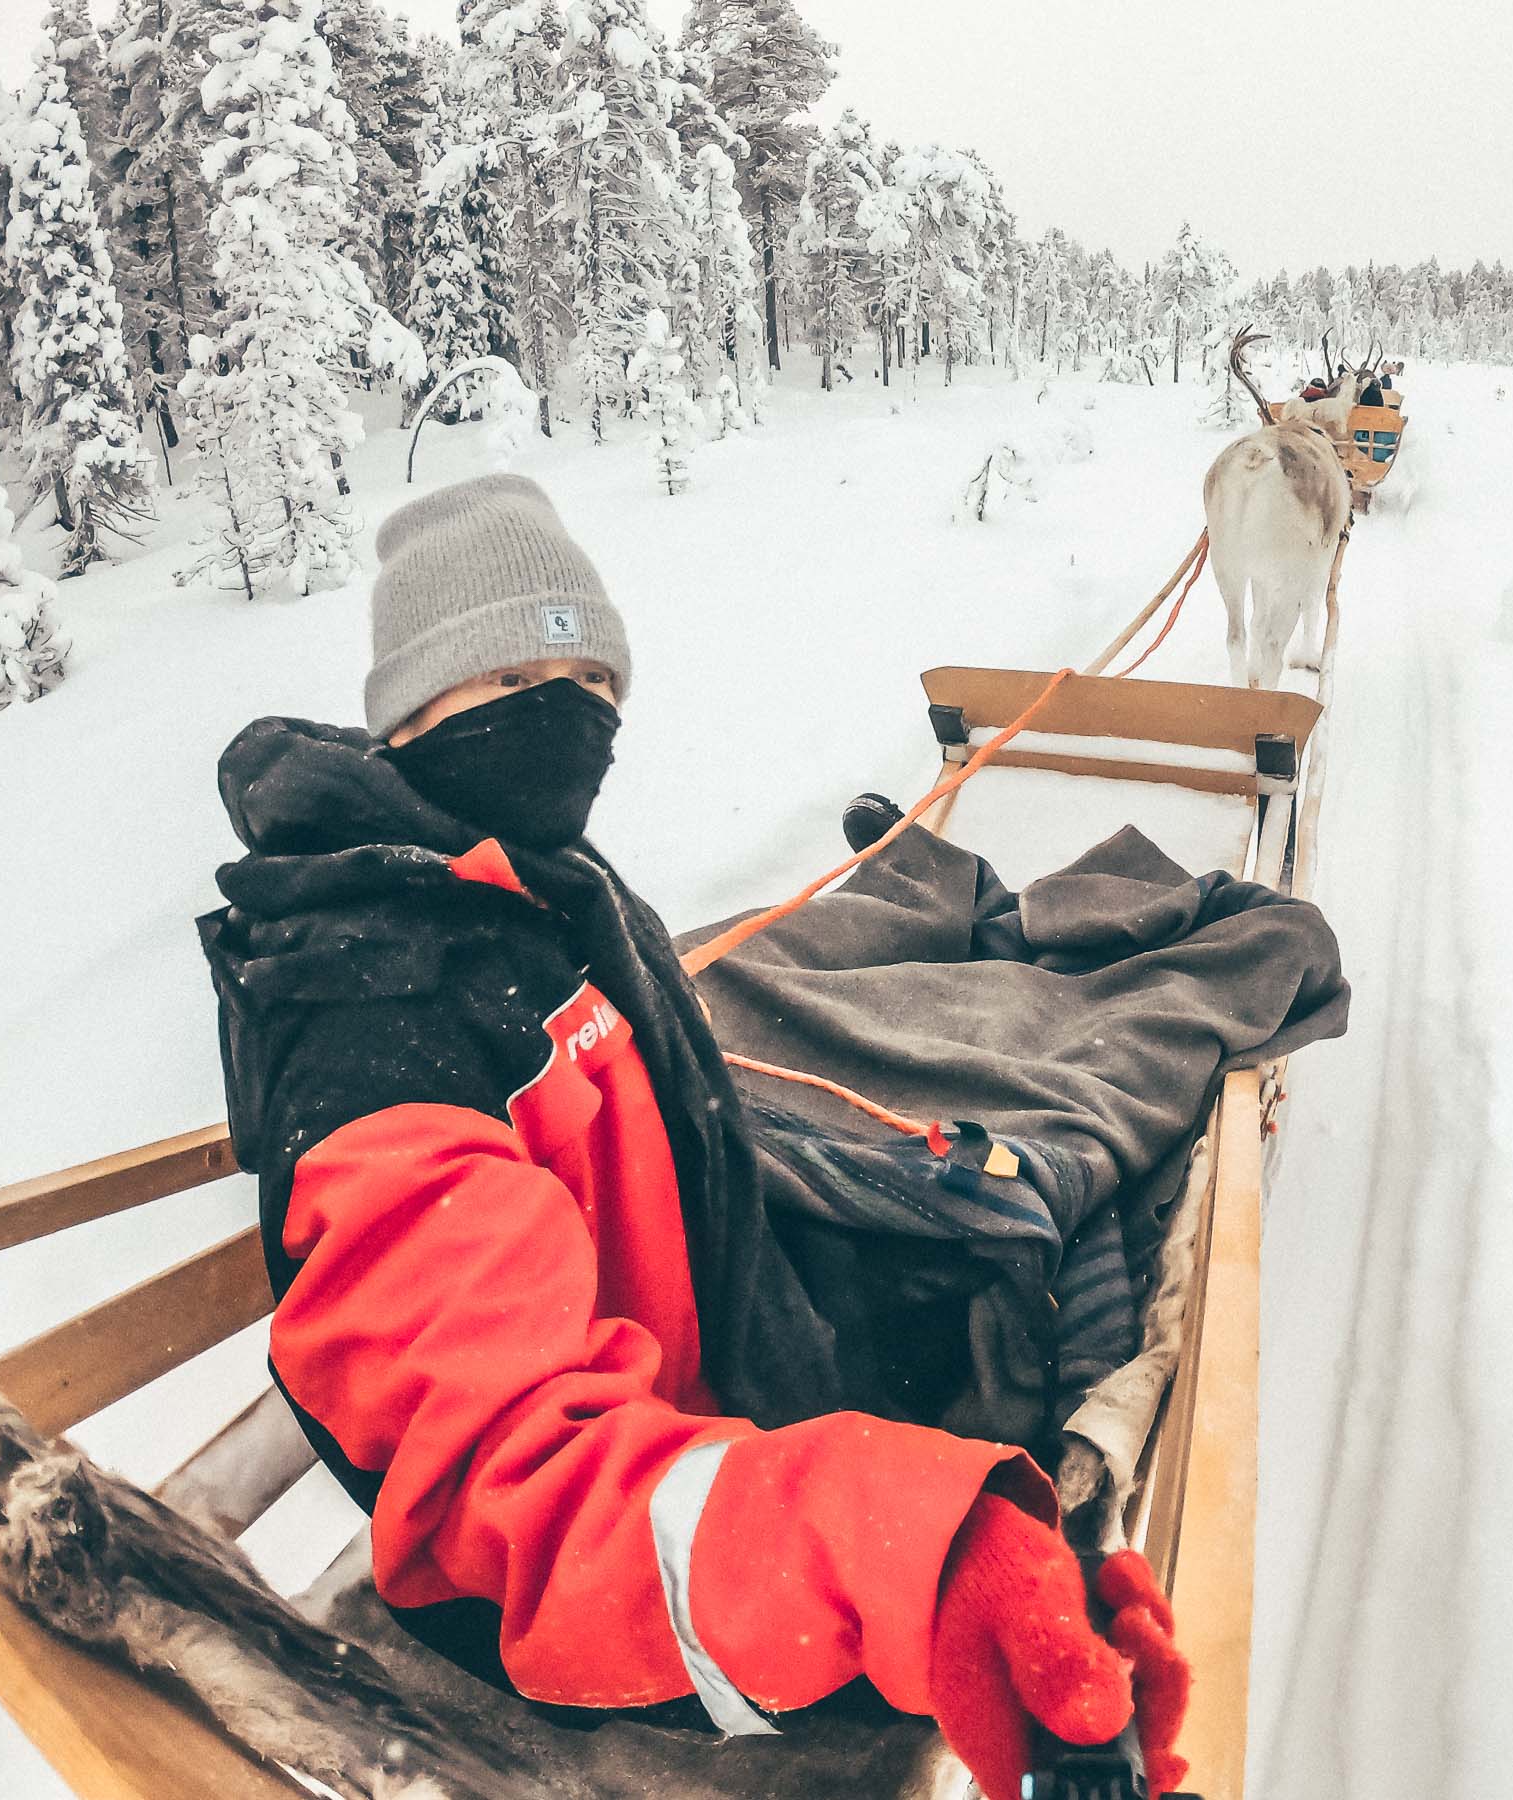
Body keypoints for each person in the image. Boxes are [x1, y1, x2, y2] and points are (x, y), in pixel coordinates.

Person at [198, 475, 1188, 1796]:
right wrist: (925, 1561)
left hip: (709, 1378)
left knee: (1036, 1232)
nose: (562, 716)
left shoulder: (525, 894)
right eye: (504, 680)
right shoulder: (377, 1026)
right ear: (410, 717)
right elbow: (519, 1494)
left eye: (588, 677)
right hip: (595, 1598)